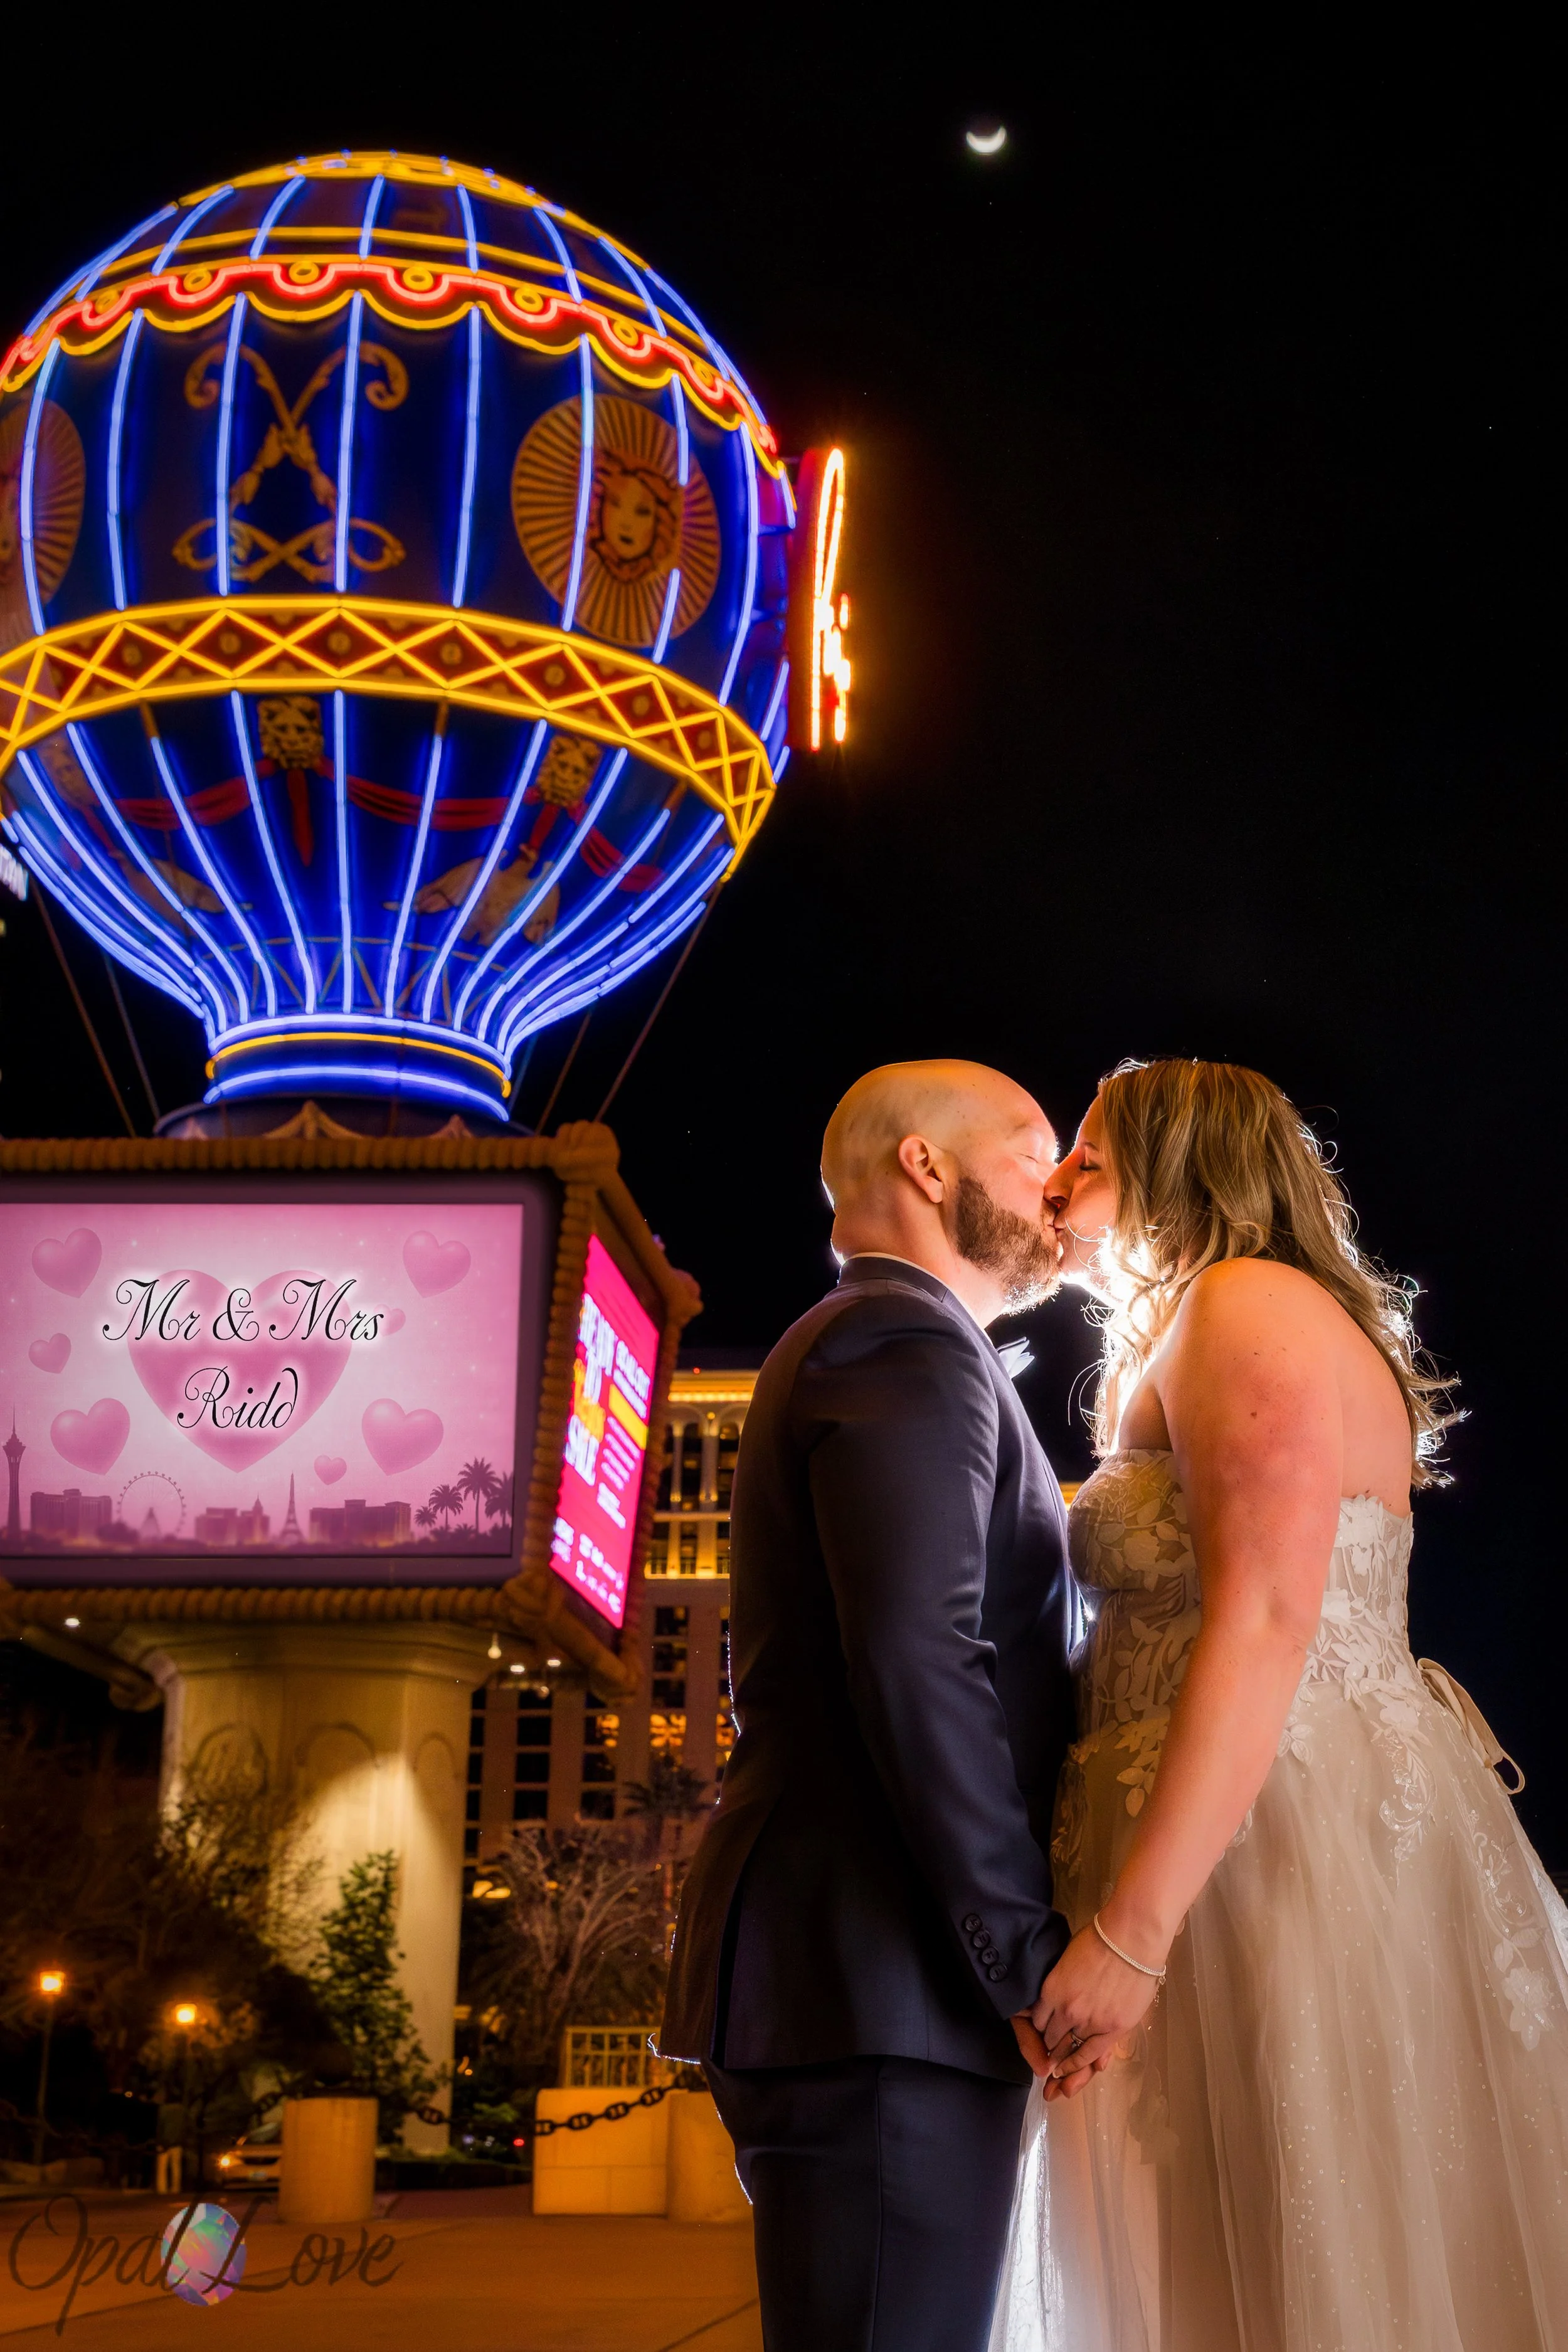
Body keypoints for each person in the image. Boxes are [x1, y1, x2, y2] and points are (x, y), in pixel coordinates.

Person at [990, 1057, 1568, 2352]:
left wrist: (1132, 1936)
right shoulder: (1213, 1321)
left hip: (1258, 1849)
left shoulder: (1242, 1305)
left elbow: (1264, 1618)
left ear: (1176, 1162)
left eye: (1088, 1151)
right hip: (1226, 1828)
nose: (1059, 1177)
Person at [659, 1059, 1079, 2351]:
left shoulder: (896, 1344)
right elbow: (916, 1653)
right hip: (883, 1980)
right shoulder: (899, 1341)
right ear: (923, 1165)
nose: (1057, 1191)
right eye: (1030, 1154)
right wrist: (1020, 1953)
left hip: (865, 1980)